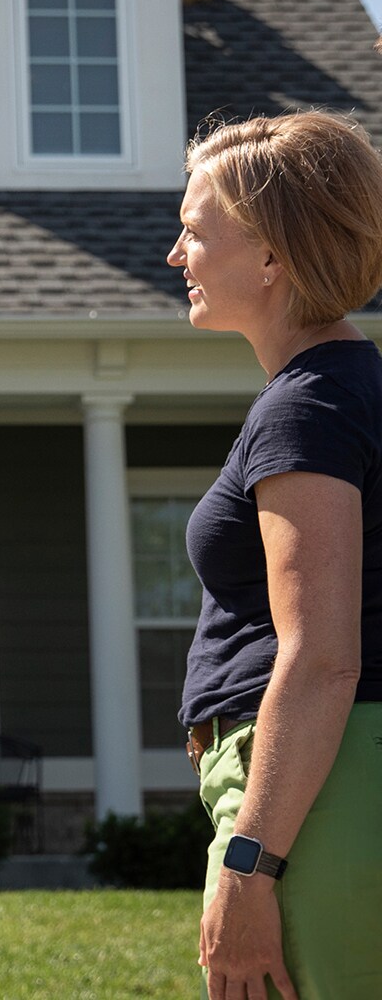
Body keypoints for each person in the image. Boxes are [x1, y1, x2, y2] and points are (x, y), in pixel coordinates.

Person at [168, 111, 382, 1000]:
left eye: (193, 230)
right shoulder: (343, 387)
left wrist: (250, 865)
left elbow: (322, 657)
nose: (177, 253)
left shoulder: (307, 408)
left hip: (315, 794)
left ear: (270, 257)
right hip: (326, 785)